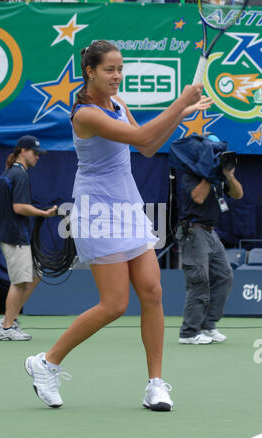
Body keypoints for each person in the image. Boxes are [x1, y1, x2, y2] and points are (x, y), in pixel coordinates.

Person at [25, 40, 213, 411]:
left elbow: (144, 148)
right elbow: (143, 138)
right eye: (110, 69)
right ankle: (45, 363)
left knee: (153, 292)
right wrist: (180, 100)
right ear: (90, 71)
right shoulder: (85, 114)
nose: (117, 76)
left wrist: (181, 111)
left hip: (128, 207)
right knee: (114, 304)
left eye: (120, 69)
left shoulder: (117, 104)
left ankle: (155, 385)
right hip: (97, 212)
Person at [176, 140, 244, 345]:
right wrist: (209, 173)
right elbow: (197, 197)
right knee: (199, 282)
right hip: (193, 231)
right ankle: (188, 333)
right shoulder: (190, 174)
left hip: (211, 233)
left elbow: (238, 194)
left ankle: (208, 325)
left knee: (225, 276)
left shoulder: (219, 174)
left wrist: (228, 174)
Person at [0, 135, 57, 341]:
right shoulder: (19, 174)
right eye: (34, 153)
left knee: (36, 274)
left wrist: (5, 224)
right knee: (19, 282)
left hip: (12, 234)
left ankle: (8, 318)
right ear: (23, 152)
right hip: (14, 237)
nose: (37, 157)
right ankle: (7, 328)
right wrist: (43, 214)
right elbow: (18, 207)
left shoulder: (8, 174)